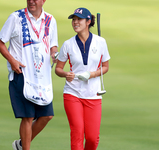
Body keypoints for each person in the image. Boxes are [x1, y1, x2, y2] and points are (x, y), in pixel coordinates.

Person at [0, 0, 58, 149]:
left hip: (42, 77)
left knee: (47, 116)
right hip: (21, 74)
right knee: (28, 117)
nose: (31, 1)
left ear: (43, 1)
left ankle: (21, 144)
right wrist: (12, 61)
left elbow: (53, 45)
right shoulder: (15, 17)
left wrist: (55, 54)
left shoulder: (50, 20)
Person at [55, 8, 110, 150]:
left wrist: (91, 74)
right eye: (73, 19)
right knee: (77, 133)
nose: (75, 22)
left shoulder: (100, 42)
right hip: (73, 93)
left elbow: (105, 67)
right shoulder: (68, 44)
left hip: (94, 94)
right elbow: (58, 69)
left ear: (88, 22)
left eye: (79, 19)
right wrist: (66, 74)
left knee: (92, 138)